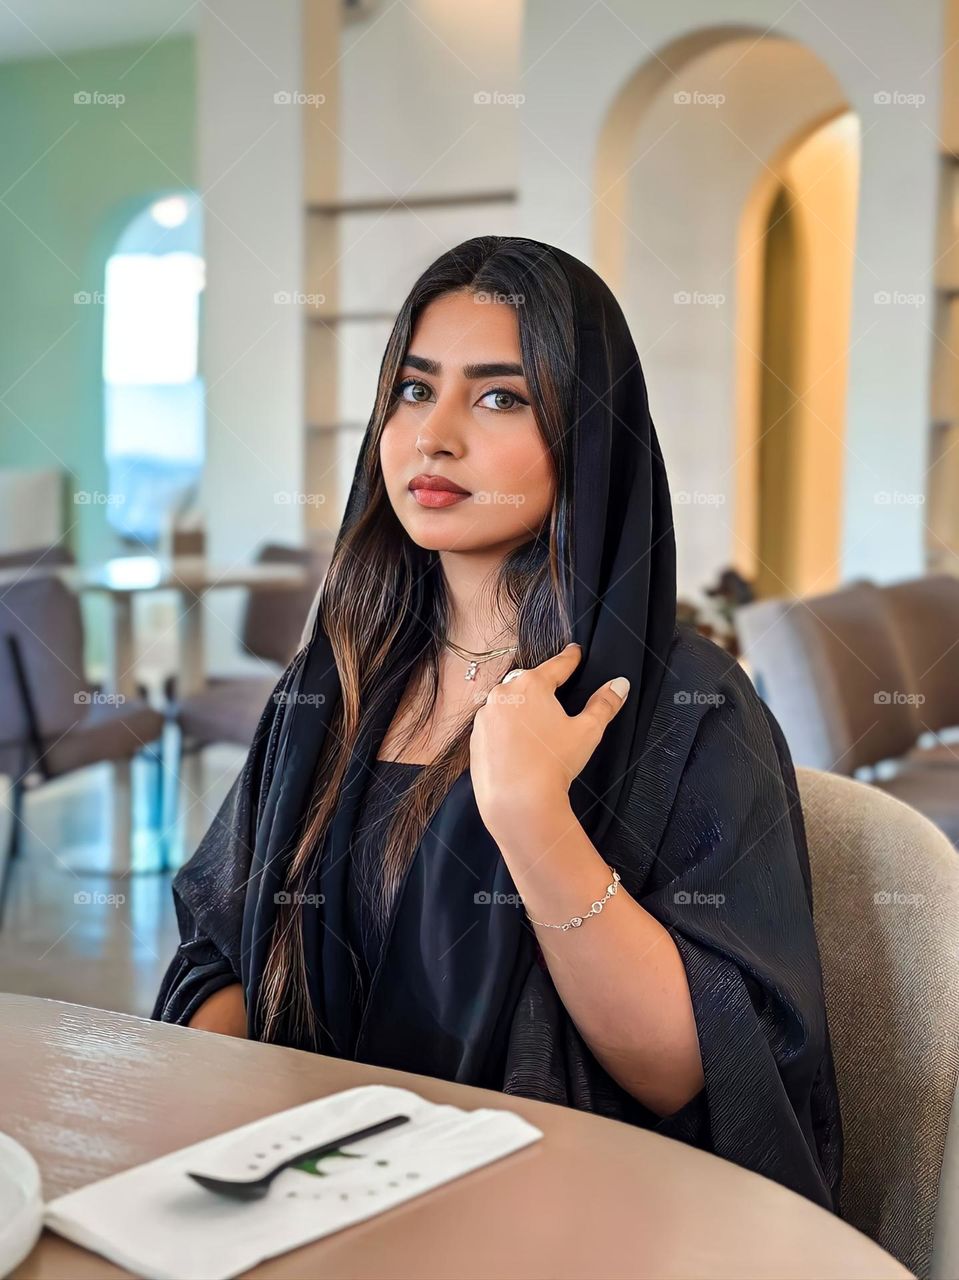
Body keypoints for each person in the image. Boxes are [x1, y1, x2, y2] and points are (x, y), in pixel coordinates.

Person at [153, 235, 843, 1213]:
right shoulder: (332, 680)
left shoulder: (678, 704)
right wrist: (241, 1143)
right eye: (411, 389)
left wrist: (532, 819)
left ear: (586, 434)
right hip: (308, 1202)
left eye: (497, 397)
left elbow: (694, 1068)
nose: (432, 437)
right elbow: (218, 944)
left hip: (552, 1215)